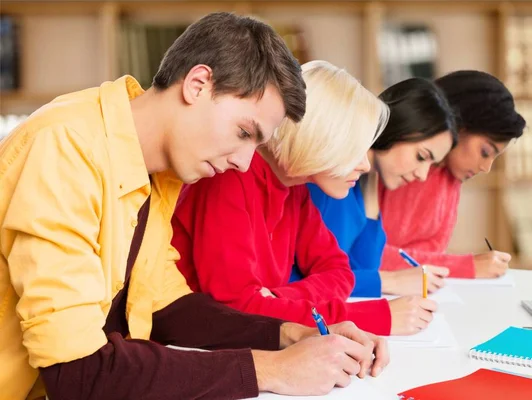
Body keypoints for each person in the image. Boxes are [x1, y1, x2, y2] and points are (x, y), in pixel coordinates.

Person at [0, 13, 388, 400]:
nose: (246, 163)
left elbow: (166, 306)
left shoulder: (157, 172)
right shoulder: (66, 149)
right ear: (198, 84)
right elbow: (78, 374)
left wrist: (291, 334)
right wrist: (271, 370)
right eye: (243, 132)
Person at [172, 69, 453, 337]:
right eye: (355, 149)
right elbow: (236, 310)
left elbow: (340, 273)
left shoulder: (296, 190)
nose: (365, 165)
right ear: (322, 135)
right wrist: (368, 316)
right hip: (191, 345)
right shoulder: (229, 179)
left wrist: (278, 297)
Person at [290, 78, 459, 299]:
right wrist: (393, 280)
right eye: (421, 157)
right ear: (397, 127)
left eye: (431, 164)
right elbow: (314, 279)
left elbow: (365, 266)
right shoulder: (329, 181)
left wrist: (371, 187)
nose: (422, 175)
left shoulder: (360, 184)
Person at [380, 70, 526, 286]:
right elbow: (366, 257)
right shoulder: (399, 168)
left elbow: (432, 256)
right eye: (485, 152)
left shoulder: (450, 178)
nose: (486, 167)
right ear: (457, 126)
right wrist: (466, 266)